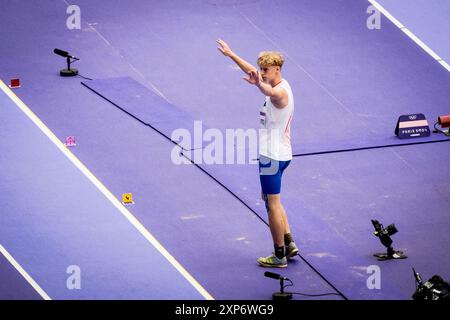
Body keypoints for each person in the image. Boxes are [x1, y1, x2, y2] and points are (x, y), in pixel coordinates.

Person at [217, 39, 298, 268]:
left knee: (270, 205)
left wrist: (257, 85)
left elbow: (268, 90)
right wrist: (231, 54)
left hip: (272, 157)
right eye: (261, 69)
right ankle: (289, 242)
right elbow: (255, 75)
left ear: (277, 70)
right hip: (281, 154)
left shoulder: (279, 93)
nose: (261, 73)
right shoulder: (282, 82)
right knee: (274, 200)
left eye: (265, 70)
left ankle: (279, 254)